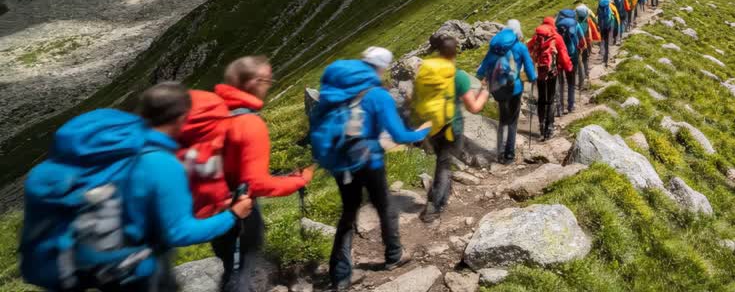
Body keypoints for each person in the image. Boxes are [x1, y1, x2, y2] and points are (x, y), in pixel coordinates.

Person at [21, 83, 253, 292]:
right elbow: (180, 232)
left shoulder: (102, 152)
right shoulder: (159, 162)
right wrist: (233, 216)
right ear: (182, 117)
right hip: (132, 270)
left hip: (69, 267)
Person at [314, 48, 429, 291]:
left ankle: (340, 274)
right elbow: (399, 135)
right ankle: (394, 254)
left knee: (348, 213)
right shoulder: (379, 96)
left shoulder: (339, 91)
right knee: (385, 205)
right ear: (381, 67)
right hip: (370, 161)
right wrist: (424, 131)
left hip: (341, 162)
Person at [202, 57, 312, 292]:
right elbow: (257, 183)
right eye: (267, 80)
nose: (269, 85)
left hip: (211, 206)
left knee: (230, 266)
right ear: (254, 82)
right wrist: (297, 181)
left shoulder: (213, 115)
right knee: (242, 271)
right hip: (240, 208)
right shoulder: (249, 123)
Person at [413, 35, 488, 219]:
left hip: (431, 124)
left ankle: (442, 191)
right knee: (444, 164)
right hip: (451, 126)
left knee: (442, 158)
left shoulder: (427, 71)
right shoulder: (459, 75)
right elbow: (474, 107)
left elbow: (415, 99)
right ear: (456, 52)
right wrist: (485, 91)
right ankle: (434, 207)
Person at [475, 24, 536, 164]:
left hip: (497, 90)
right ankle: (509, 155)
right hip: (514, 89)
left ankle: (500, 153)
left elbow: (481, 70)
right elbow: (529, 69)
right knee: (512, 122)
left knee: (503, 120)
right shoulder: (520, 47)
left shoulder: (494, 49)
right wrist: (532, 78)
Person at [527, 18, 572, 140]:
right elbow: (563, 54)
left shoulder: (537, 37)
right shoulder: (556, 37)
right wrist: (568, 68)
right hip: (552, 72)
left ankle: (541, 126)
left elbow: (528, 48)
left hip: (540, 72)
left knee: (541, 99)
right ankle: (550, 128)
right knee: (551, 100)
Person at [554, 9, 583, 114]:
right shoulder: (576, 24)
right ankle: (571, 105)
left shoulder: (556, 26)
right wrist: (580, 48)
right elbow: (582, 39)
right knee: (571, 82)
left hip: (559, 57)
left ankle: (560, 108)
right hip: (572, 56)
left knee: (560, 82)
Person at [574, 5, 594, 92]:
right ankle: (586, 74)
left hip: (577, 45)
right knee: (585, 59)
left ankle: (578, 81)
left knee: (578, 63)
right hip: (586, 43)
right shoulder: (587, 21)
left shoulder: (575, 23)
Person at [596, 0, 620, 66]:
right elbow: (616, 15)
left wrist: (598, 25)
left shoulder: (599, 7)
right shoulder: (610, 6)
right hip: (610, 25)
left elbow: (598, 17)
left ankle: (602, 56)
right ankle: (608, 56)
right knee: (608, 40)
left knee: (602, 40)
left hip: (602, 26)